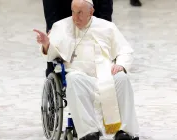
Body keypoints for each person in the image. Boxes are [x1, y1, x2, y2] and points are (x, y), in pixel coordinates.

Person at [34, 0, 140, 140]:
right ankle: (89, 132)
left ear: (91, 12)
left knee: (122, 78)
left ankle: (126, 132)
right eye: (73, 12)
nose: (75, 17)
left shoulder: (107, 27)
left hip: (105, 75)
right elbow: (53, 54)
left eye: (80, 13)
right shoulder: (61, 26)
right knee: (73, 79)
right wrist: (47, 44)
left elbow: (125, 50)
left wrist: (120, 64)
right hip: (80, 77)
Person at [42, 0, 113, 77]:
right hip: (63, 19)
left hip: (91, 18)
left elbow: (105, 8)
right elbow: (50, 8)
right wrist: (53, 29)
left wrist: (102, 26)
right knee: (56, 48)